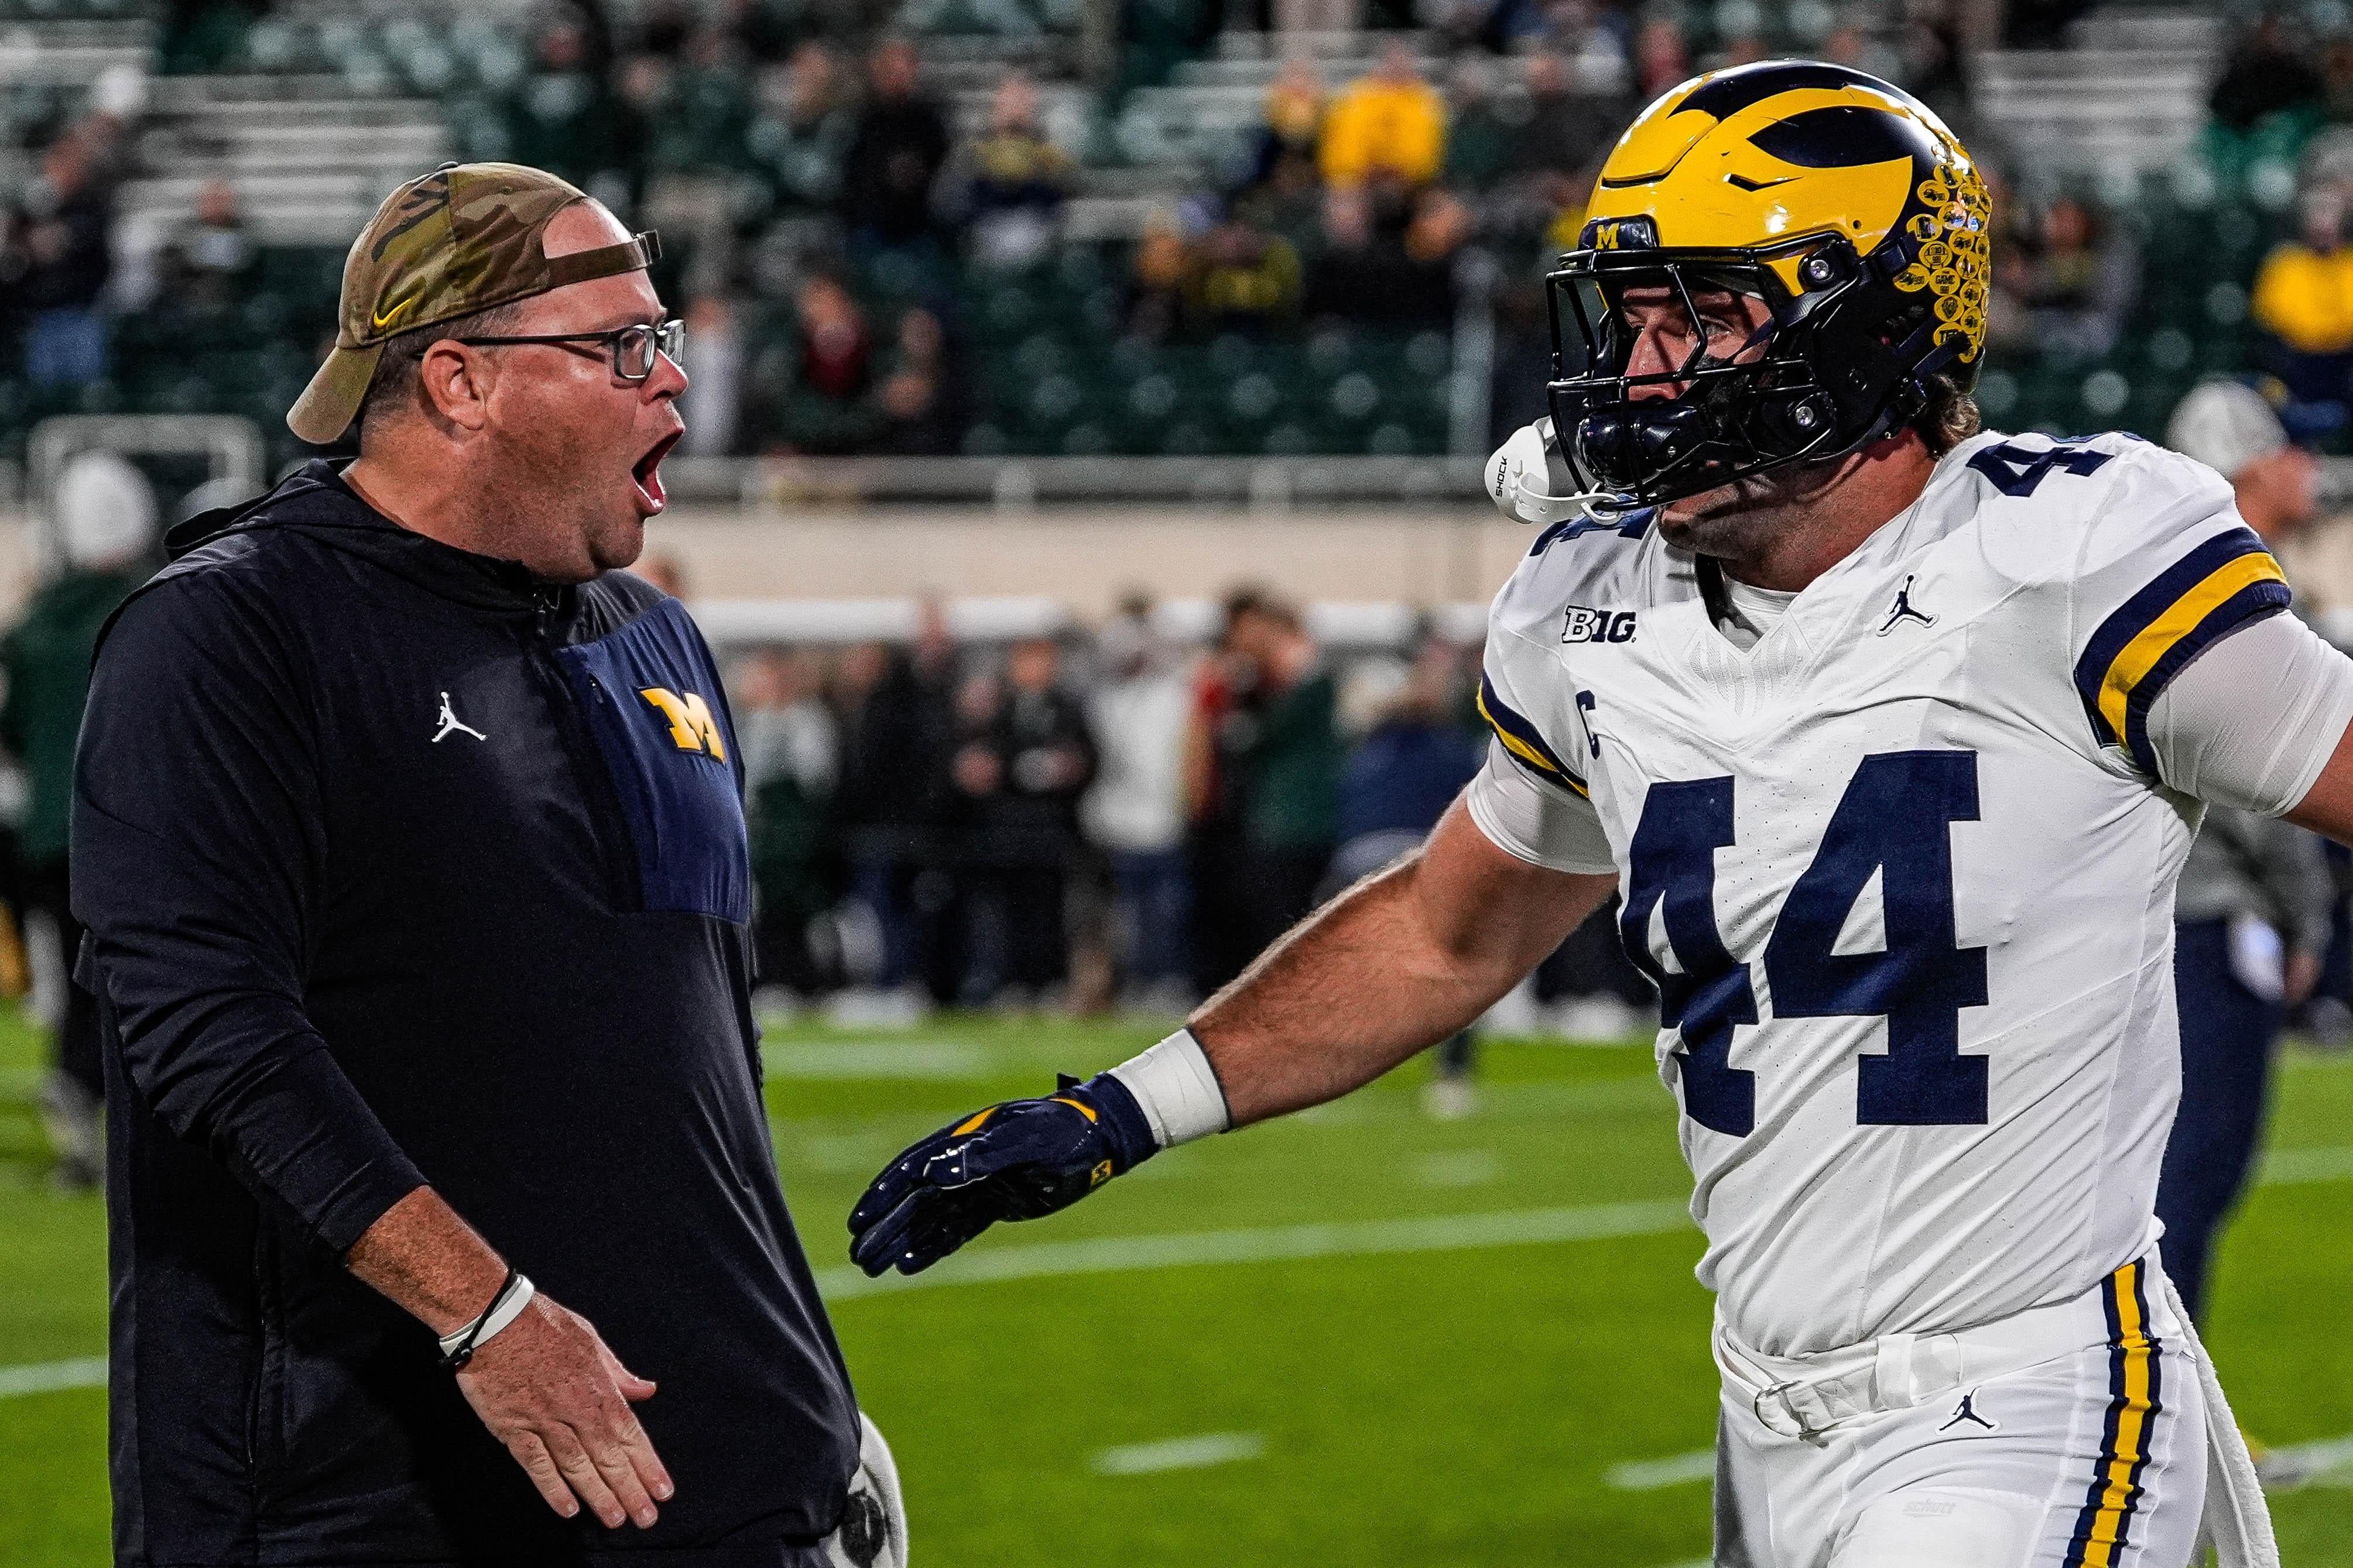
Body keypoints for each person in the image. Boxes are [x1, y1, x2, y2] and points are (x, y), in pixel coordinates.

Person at [848, 64, 2353, 1567]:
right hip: (1764, 1411)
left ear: (1881, 317)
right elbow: (1447, 932)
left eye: (1700, 312)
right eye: (1631, 318)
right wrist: (1122, 1108)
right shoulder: (1587, 605)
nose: (1644, 368)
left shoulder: (2073, 548)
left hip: (2020, 1391)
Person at [74, 162, 902, 1568]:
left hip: (710, 1493)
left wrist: (796, 1397)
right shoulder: (233, 633)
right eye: (621, 348)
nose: (674, 392)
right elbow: (202, 1027)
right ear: (459, 379)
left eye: (670, 345)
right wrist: (488, 1311)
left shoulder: (654, 636)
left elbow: (691, 1070)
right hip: (371, 1500)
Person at [2156, 382, 2337, 1327]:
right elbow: (2261, 788)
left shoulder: (2158, 569)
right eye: (2287, 450)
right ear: (2245, 464)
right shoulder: (2224, 580)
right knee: (2192, 1171)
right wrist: (2305, 915)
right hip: (2210, 913)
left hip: (2169, 911)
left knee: (2176, 1177)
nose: (2305, 467)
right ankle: (2161, 1422)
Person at [6, 450, 153, 1191]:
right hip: (127, 835)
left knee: (72, 982)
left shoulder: (33, 624)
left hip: (42, 837)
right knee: (142, 986)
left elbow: (11, 733)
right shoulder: (150, 608)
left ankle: (72, 1087)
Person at [1085, 599, 1195, 1011]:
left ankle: (1167, 978)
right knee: (1129, 913)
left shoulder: (1174, 696)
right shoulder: (1110, 700)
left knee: (1166, 909)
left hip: (1165, 821)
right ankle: (1136, 979)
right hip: (1121, 824)